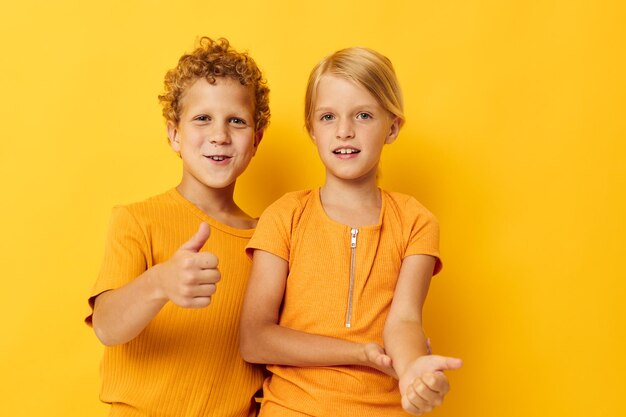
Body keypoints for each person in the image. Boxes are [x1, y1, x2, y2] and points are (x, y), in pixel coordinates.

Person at [240, 47, 462, 416]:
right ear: (311, 129)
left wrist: (412, 374)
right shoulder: (284, 216)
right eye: (328, 116)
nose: (344, 131)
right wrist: (359, 353)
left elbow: (405, 321)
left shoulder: (415, 221)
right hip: (292, 409)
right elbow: (255, 338)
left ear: (392, 127)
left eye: (363, 115)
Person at [85, 37, 270, 417]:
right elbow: (106, 326)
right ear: (174, 134)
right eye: (202, 118)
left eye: (236, 121)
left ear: (256, 140)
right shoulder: (137, 219)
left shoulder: (269, 240)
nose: (220, 134)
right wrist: (159, 282)